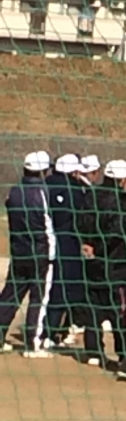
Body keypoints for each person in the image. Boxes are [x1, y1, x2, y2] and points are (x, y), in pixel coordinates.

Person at [78, 159, 126, 375]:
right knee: (120, 311)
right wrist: (99, 247)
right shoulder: (120, 202)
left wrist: (88, 244)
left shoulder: (91, 196)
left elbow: (81, 222)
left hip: (92, 263)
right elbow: (115, 233)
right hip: (115, 265)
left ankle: (93, 350)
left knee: (94, 307)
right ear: (122, 179)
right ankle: (124, 354)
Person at [0, 151, 56, 357]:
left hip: (19, 251)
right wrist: (51, 253)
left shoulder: (15, 190)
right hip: (40, 252)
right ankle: (33, 343)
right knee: (39, 298)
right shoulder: (41, 191)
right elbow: (46, 222)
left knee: (11, 295)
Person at [44, 154, 87, 347]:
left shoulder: (45, 185)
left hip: (43, 242)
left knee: (47, 288)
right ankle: (51, 332)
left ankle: (47, 331)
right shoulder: (75, 190)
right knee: (64, 288)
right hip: (67, 244)